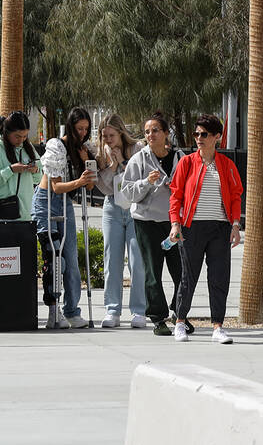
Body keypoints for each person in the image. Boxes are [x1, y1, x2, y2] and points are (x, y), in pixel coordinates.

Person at [169, 113, 242, 345]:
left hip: (220, 228)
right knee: (188, 277)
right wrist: (175, 223)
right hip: (192, 228)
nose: (199, 138)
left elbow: (236, 196)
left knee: (219, 277)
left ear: (217, 137)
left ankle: (218, 327)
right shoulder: (187, 163)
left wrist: (235, 225)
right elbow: (176, 195)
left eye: (204, 134)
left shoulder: (227, 165)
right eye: (196, 133)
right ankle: (180, 322)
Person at [33, 108, 98, 329]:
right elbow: (56, 186)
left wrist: (86, 160)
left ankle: (72, 310)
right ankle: (54, 310)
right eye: (79, 128)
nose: (83, 133)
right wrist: (79, 182)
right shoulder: (56, 146)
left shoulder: (83, 149)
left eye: (86, 129)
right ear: (70, 126)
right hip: (47, 201)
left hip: (66, 203)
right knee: (55, 258)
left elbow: (90, 185)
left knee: (70, 258)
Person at [120, 111, 184, 337]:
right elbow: (127, 192)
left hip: (174, 223)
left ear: (166, 133)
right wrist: (147, 182)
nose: (150, 135)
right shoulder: (139, 159)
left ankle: (180, 313)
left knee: (182, 270)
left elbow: (188, 186)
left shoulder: (179, 157)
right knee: (152, 272)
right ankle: (158, 318)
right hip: (147, 223)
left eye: (155, 130)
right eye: (147, 131)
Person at [94, 114, 148, 329]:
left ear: (121, 133)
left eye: (111, 135)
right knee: (112, 260)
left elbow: (139, 179)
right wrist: (111, 166)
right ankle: (112, 310)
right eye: (104, 135)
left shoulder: (138, 149)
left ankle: (138, 311)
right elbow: (103, 186)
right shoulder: (100, 153)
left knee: (137, 262)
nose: (107, 139)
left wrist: (123, 164)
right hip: (112, 207)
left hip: (134, 208)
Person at [0, 112, 41, 221]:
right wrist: (10, 170)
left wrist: (35, 170)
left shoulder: (28, 147)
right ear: (7, 131)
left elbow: (39, 178)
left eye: (25, 136)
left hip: (27, 215)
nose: (21, 140)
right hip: (3, 215)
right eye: (17, 136)